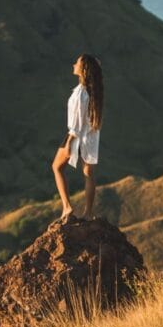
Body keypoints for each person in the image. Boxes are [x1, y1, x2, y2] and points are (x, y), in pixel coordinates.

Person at [51, 53, 104, 222]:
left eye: (77, 63)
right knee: (88, 173)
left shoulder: (81, 92)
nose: (73, 64)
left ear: (83, 69)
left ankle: (67, 206)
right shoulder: (94, 90)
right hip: (90, 137)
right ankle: (88, 212)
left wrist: (70, 142)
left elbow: (76, 122)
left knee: (57, 167)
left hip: (76, 135)